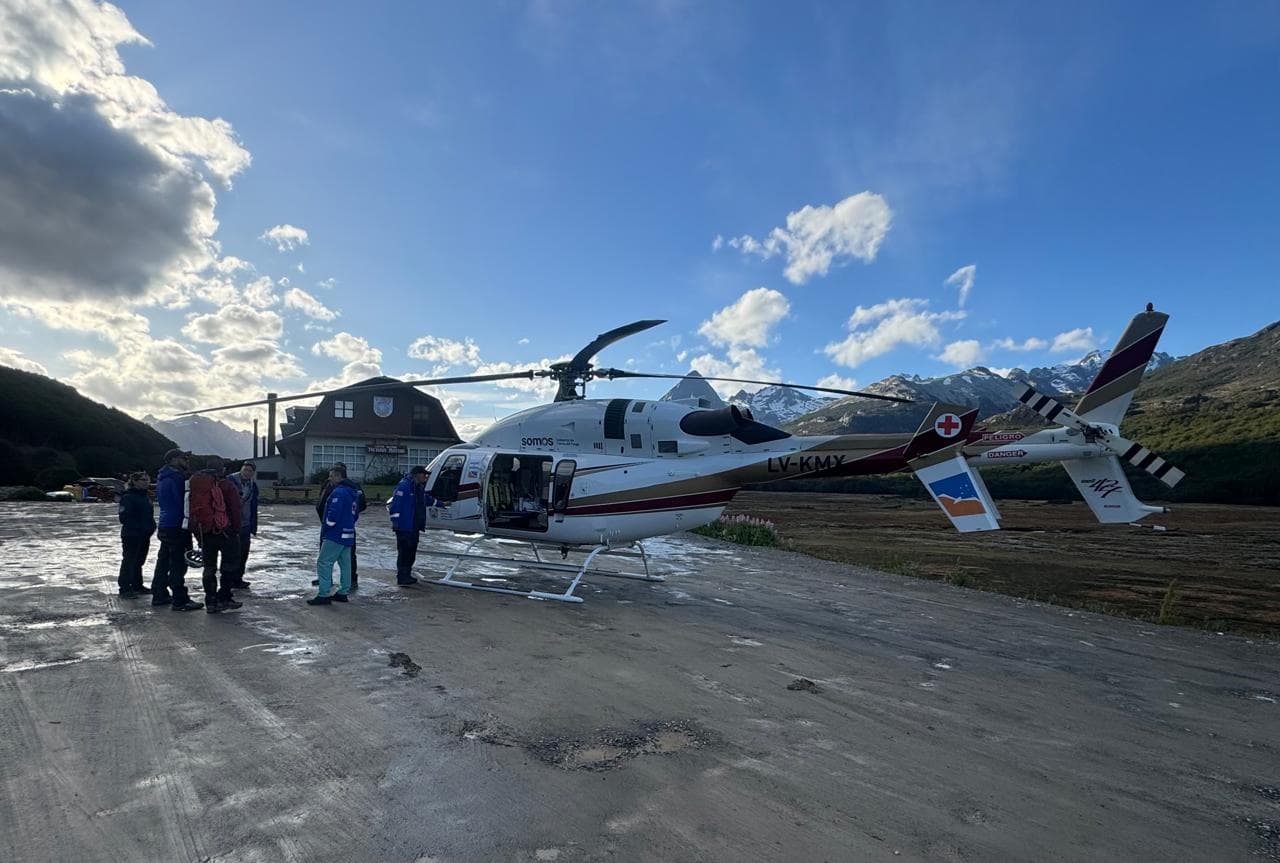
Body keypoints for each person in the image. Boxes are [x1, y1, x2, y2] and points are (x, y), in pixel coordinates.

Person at [187, 457, 241, 614]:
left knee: (209, 567)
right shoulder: (226, 485)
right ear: (222, 469)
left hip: (205, 531)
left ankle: (210, 601)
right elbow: (235, 509)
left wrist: (198, 534)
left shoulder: (197, 484)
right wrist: (236, 530)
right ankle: (225, 597)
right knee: (229, 565)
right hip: (225, 531)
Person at [151, 449, 203, 611]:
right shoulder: (178, 479)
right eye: (184, 458)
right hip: (178, 525)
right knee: (178, 564)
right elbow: (185, 504)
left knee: (163, 561)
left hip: (165, 524)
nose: (187, 461)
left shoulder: (162, 477)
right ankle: (180, 599)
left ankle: (159, 594)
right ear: (173, 460)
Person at [309, 465, 360, 606]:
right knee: (345, 563)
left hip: (335, 534)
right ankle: (343, 592)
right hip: (348, 533)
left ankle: (324, 594)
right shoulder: (353, 492)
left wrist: (328, 524)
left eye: (332, 476)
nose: (329, 479)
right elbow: (355, 513)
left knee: (324, 562)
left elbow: (334, 512)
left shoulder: (339, 492)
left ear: (339, 476)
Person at [389, 465, 437, 586]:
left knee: (411, 552)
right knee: (404, 552)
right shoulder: (405, 486)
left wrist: (439, 503)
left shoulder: (417, 488)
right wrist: (396, 524)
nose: (426, 477)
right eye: (424, 474)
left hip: (414, 526)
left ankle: (407, 575)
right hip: (405, 527)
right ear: (417, 475)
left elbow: (425, 499)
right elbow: (395, 506)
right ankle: (402, 577)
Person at [117, 471, 155, 597]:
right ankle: (124, 588)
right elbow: (124, 517)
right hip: (132, 534)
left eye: (147, 480)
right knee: (129, 560)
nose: (146, 482)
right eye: (143, 480)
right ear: (134, 481)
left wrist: (150, 527)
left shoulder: (146, 497)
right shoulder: (128, 497)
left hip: (145, 534)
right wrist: (138, 527)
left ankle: (137, 585)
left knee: (139, 561)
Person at [226, 462, 259, 589]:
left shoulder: (252, 486)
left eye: (250, 471)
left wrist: (253, 525)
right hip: (231, 524)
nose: (247, 473)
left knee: (243, 553)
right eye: (245, 470)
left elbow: (253, 506)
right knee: (232, 553)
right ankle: (229, 580)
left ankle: (238, 578)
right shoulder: (230, 481)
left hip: (245, 524)